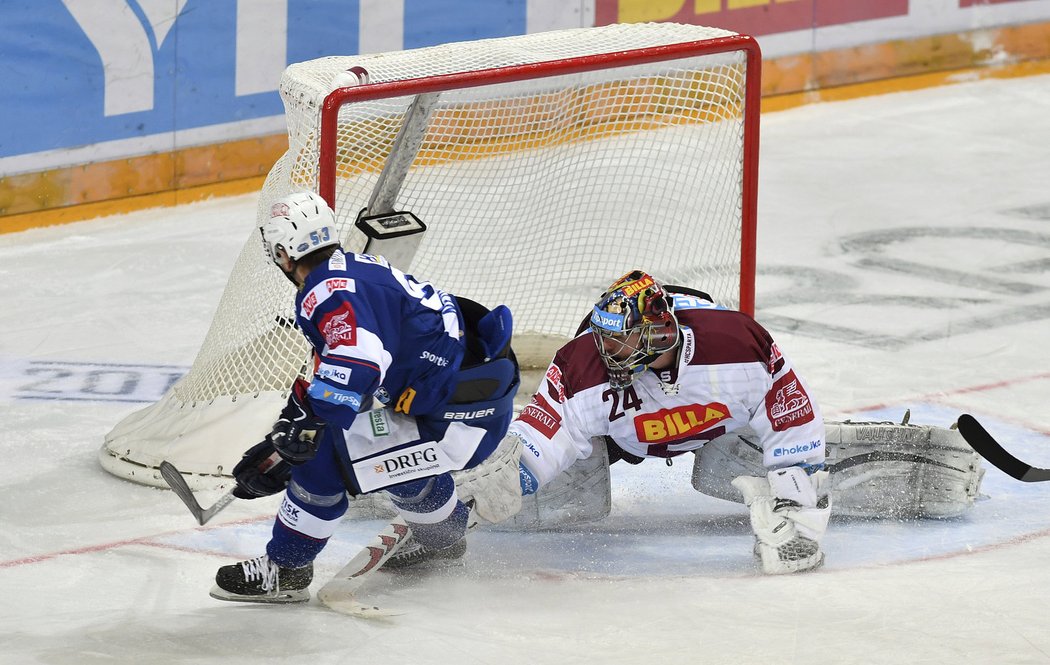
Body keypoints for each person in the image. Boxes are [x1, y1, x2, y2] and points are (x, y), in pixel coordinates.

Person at [210, 191, 521, 603]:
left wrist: (304, 433)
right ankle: (445, 542)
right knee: (386, 461)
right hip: (473, 399)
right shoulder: (356, 265)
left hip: (457, 418)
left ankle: (285, 571)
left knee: (322, 464)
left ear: (284, 251)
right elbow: (345, 365)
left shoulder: (324, 290)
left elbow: (359, 362)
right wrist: (290, 427)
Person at [507, 269, 832, 574]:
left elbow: (789, 412)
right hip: (619, 435)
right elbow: (541, 437)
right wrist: (501, 479)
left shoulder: (737, 345)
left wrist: (798, 507)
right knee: (569, 490)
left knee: (787, 468)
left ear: (656, 334)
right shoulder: (581, 366)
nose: (605, 350)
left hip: (721, 427)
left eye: (618, 338)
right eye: (603, 337)